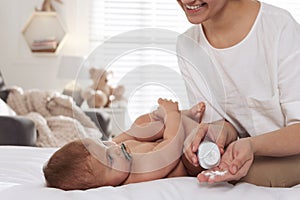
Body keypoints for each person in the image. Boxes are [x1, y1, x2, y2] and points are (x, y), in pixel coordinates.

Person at [176, 0, 300, 187]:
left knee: (245, 179)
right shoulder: (188, 45)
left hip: (293, 152)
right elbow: (227, 123)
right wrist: (215, 132)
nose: (186, 1)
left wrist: (252, 145)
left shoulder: (279, 28)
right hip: (249, 153)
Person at [44, 99, 236, 190]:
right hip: (183, 153)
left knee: (140, 126)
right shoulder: (139, 172)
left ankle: (185, 115)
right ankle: (183, 118)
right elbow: (171, 146)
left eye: (103, 144)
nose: (114, 149)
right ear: (102, 186)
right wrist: (171, 114)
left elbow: (124, 137)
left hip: (170, 137)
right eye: (110, 158)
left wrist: (138, 128)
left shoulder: (117, 154)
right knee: (189, 149)